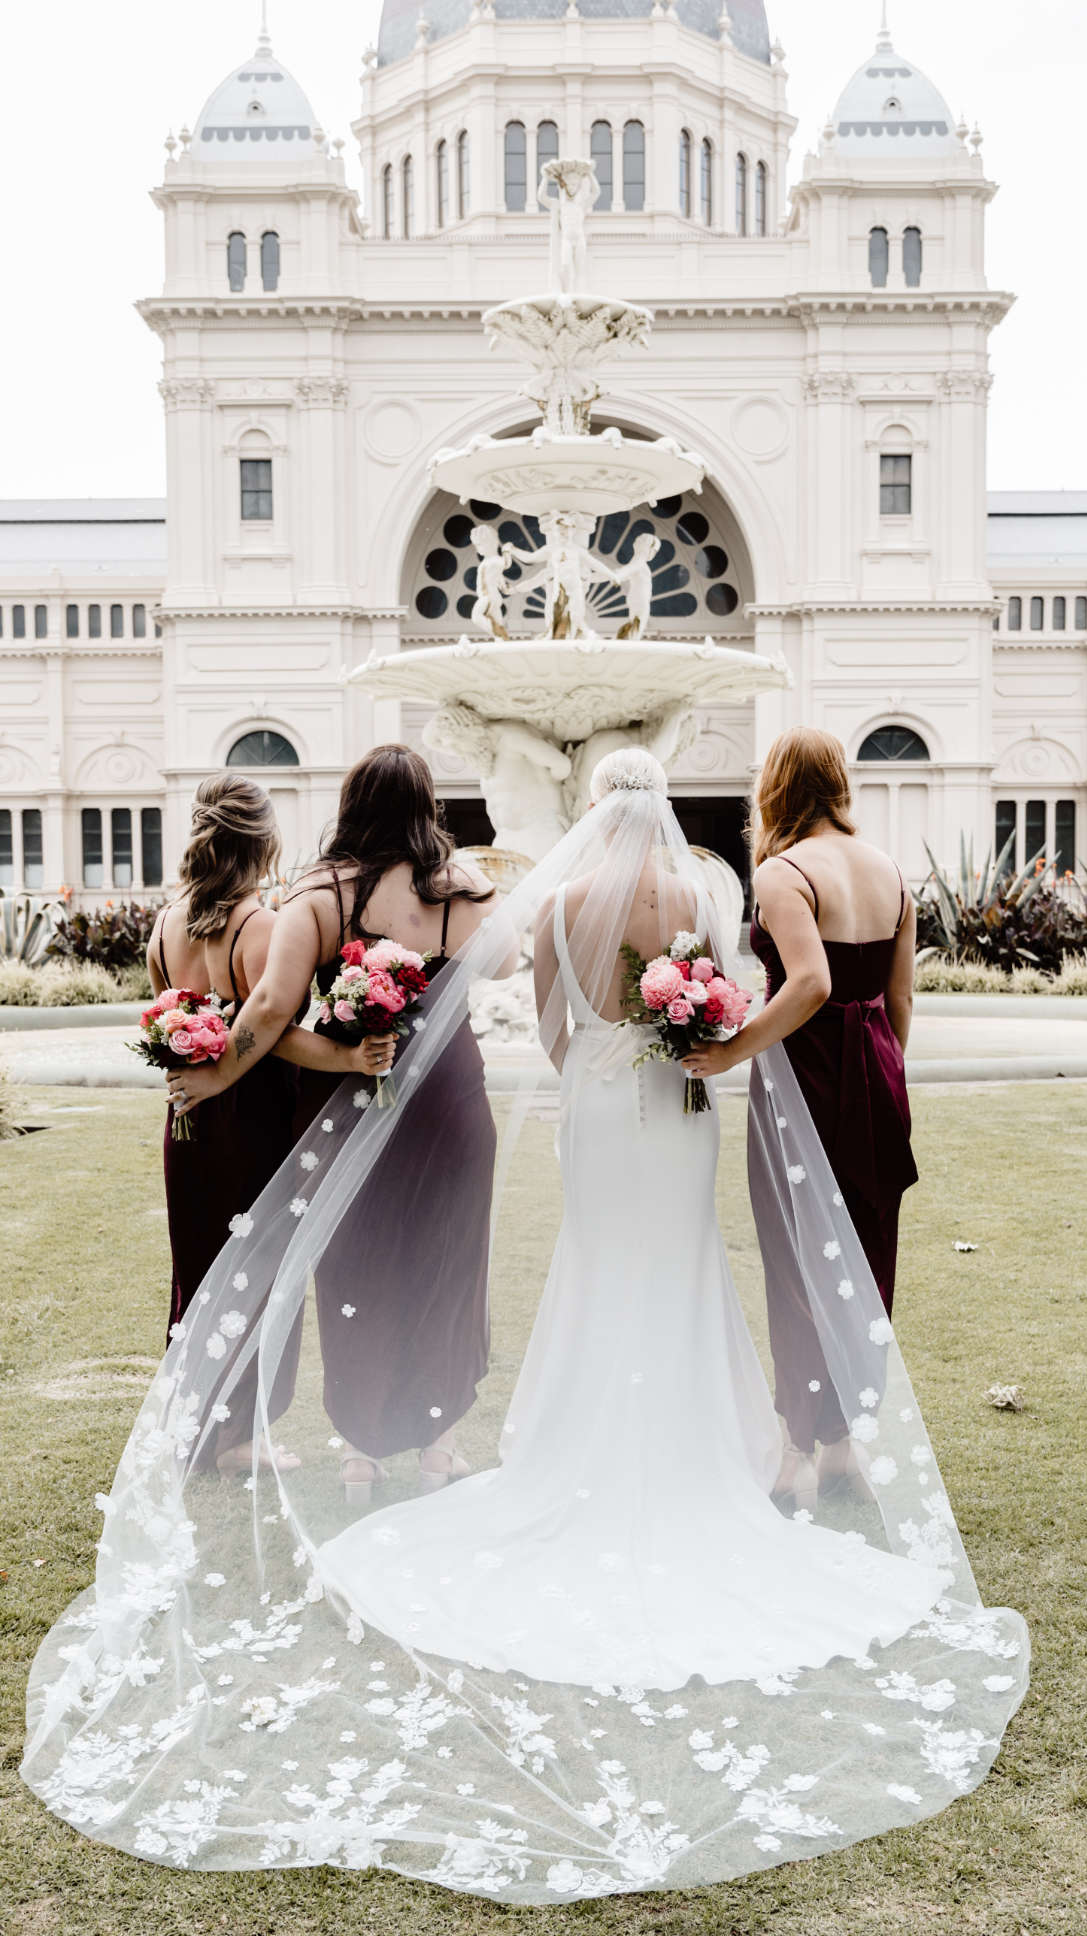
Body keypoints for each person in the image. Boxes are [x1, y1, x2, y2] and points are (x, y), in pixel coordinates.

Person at [24, 747, 1027, 1903]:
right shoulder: (706, 888)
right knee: (686, 1267)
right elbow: (740, 997)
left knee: (598, 1269)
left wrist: (599, 1059)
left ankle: (554, 1446)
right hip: (682, 1107)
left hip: (603, 1106)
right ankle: (718, 1448)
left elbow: (552, 1032)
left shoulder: (560, 901)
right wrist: (685, 1046)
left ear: (596, 813)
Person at [167, 745, 501, 1500]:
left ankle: (360, 1453)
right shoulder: (465, 891)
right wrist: (471, 883)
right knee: (447, 1268)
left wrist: (217, 1071)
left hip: (352, 1104)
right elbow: (508, 965)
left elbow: (271, 1015)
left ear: (350, 806)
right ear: (427, 809)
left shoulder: (318, 895)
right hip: (452, 1099)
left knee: (356, 1268)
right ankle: (439, 1449)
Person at [682, 726, 918, 1506]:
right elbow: (899, 1000)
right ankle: (847, 1440)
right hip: (878, 1075)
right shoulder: (888, 869)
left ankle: (798, 1456)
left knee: (796, 1262)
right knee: (863, 1259)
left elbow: (810, 983)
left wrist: (731, 1050)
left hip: (808, 1085)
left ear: (777, 788)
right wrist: (884, 1073)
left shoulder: (784, 872)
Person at [146, 774, 387, 1472]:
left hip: (186, 1115)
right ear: (265, 840)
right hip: (248, 1118)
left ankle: (200, 1424)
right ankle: (239, 1438)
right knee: (256, 1269)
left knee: (198, 1268)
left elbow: (173, 1014)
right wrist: (349, 1057)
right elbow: (273, 1029)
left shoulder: (167, 921)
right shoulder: (258, 925)